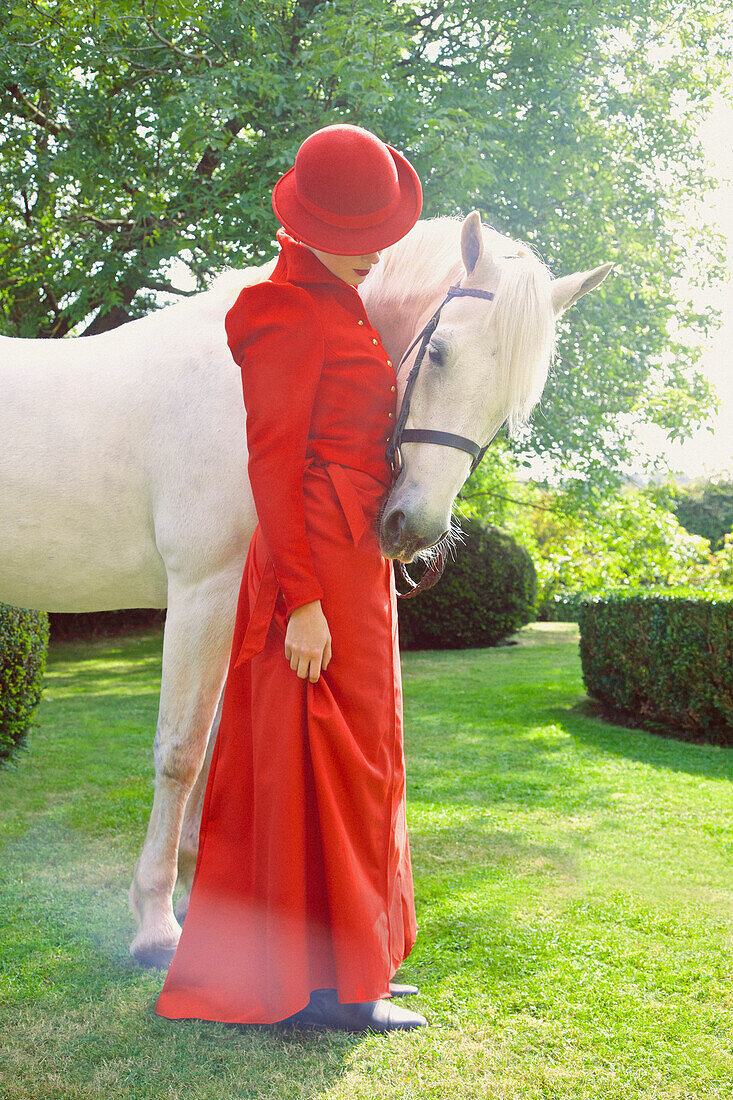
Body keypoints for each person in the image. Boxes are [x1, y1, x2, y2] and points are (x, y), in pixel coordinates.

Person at [154, 123, 427, 1033]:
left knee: (364, 755)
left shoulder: (341, 304)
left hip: (354, 558)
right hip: (312, 558)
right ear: (308, 226)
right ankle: (324, 991)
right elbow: (272, 467)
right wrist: (302, 603)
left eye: (377, 231)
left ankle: (357, 961)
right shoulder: (281, 310)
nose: (373, 252)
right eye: (355, 235)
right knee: (322, 756)